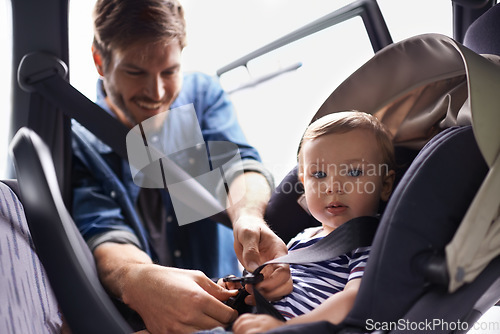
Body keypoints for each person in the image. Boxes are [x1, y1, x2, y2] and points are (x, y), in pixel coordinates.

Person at [71, 0, 290, 332]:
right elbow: (105, 235)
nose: (156, 92)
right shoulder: (80, 143)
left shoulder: (200, 97)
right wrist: (142, 282)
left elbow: (242, 166)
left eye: (170, 72)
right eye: (135, 72)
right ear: (100, 61)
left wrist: (248, 215)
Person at [231, 111, 396, 334]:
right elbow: (280, 284)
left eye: (354, 172)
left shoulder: (371, 241)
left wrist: (287, 328)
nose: (333, 186)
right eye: (319, 175)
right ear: (303, 183)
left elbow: (355, 299)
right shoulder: (302, 237)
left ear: (385, 185)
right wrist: (249, 287)